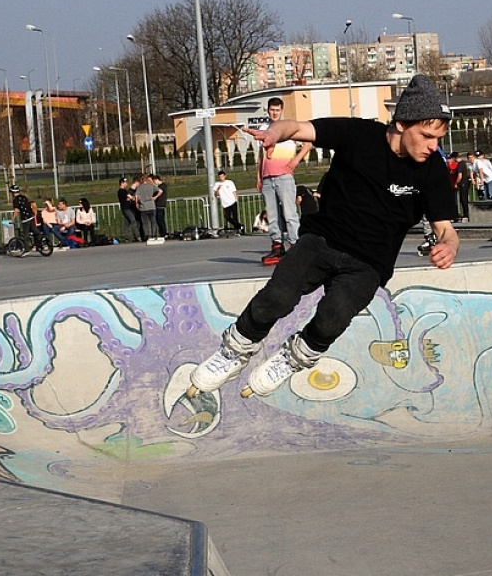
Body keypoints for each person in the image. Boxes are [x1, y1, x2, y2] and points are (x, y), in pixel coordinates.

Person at [190, 74, 460, 399]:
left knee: (333, 316)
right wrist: (275, 133)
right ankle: (235, 350)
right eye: (427, 136)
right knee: (277, 297)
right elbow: (298, 128)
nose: (433, 146)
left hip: (369, 264)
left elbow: (446, 229)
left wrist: (448, 246)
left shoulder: (433, 170)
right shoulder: (360, 135)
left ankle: (294, 357)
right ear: (402, 124)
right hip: (322, 241)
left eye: (438, 138)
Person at [256, 97, 312, 265]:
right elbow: (260, 156)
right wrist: (259, 177)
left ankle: (295, 245)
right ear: (267, 110)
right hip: (267, 178)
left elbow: (308, 144)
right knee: (272, 215)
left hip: (284, 177)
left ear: (281, 111)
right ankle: (277, 245)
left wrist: (296, 161)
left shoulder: (288, 129)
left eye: (277, 110)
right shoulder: (263, 129)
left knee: (289, 213)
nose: (274, 113)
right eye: (272, 110)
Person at [213, 169, 243, 234]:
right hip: (225, 204)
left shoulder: (230, 182)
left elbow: (234, 191)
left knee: (235, 217)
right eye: (220, 177)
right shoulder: (217, 184)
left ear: (225, 176)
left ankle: (237, 230)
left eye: (222, 176)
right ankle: (239, 226)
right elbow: (215, 195)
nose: (221, 178)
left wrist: (236, 199)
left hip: (232, 201)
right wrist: (218, 189)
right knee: (227, 217)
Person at [135, 174, 160, 241]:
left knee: (145, 223)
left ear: (141, 179)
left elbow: (136, 196)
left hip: (143, 207)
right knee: (153, 221)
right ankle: (154, 234)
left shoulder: (139, 187)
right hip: (151, 205)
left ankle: (146, 235)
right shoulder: (151, 185)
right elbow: (160, 191)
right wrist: (155, 197)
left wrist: (136, 203)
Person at [117, 177, 140, 242]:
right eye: (125, 182)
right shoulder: (122, 191)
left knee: (127, 223)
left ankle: (126, 237)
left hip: (126, 208)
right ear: (122, 183)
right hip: (126, 208)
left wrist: (129, 198)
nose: (126, 183)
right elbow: (130, 198)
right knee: (133, 221)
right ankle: (137, 236)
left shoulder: (124, 191)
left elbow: (129, 198)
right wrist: (134, 198)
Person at [455, 152, 474, 221]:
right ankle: (466, 214)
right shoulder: (463, 163)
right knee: (463, 199)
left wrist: (456, 183)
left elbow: (459, 176)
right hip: (465, 183)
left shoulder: (460, 164)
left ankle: (466, 214)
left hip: (462, 184)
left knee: (463, 200)